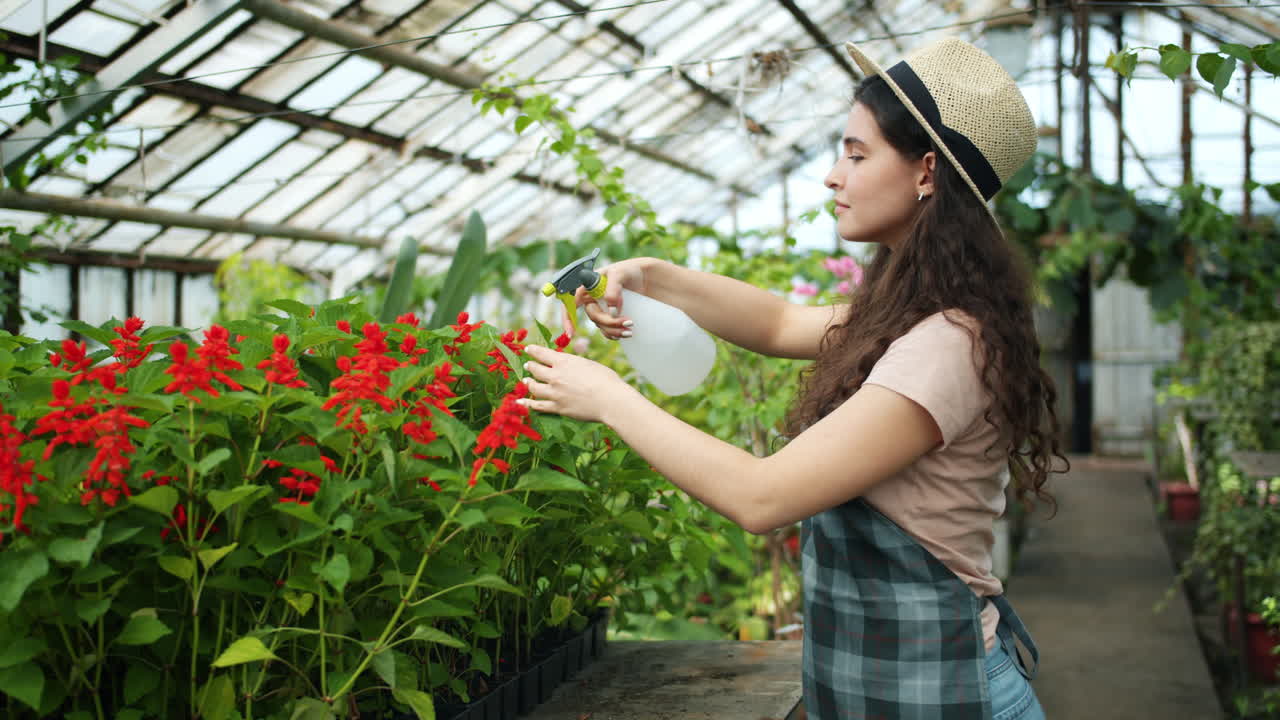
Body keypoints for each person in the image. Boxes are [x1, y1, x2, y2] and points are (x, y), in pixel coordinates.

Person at [517, 36, 1068, 720]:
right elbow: (779, 323)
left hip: (951, 696)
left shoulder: (947, 345)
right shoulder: (910, 312)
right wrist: (648, 275)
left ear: (926, 172)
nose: (833, 177)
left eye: (856, 154)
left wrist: (608, 400)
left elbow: (762, 495)